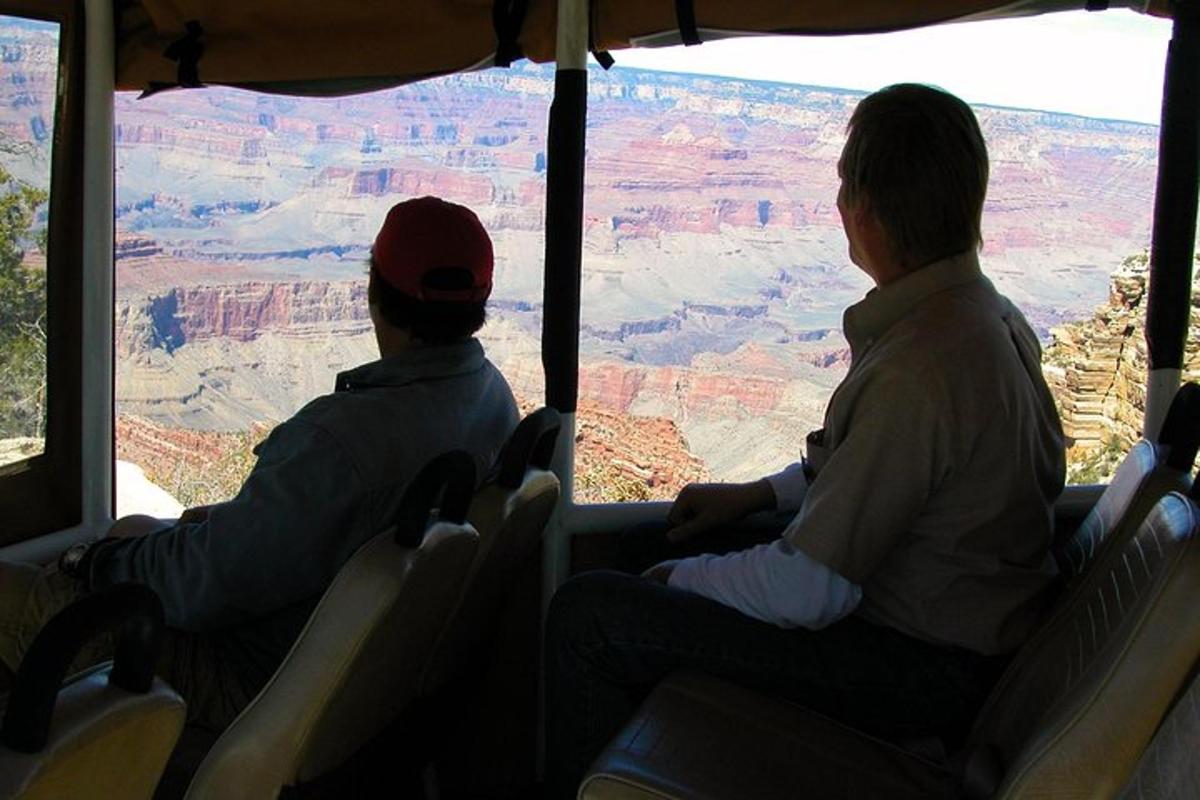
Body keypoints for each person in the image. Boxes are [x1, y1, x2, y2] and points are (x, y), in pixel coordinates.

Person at [544, 84, 1066, 798]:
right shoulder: (984, 317)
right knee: (648, 545)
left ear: (864, 210)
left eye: (845, 186)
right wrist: (758, 496)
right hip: (949, 637)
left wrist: (679, 584)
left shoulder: (926, 363)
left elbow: (808, 591)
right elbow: (877, 471)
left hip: (917, 668)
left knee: (589, 618)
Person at [0, 196, 519, 732]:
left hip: (255, 682)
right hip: (360, 681)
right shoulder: (493, 398)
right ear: (478, 300)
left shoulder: (341, 442)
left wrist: (91, 563)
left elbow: (204, 585)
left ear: (374, 293)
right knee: (137, 530)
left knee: (22, 598)